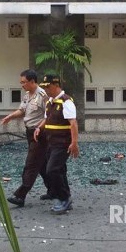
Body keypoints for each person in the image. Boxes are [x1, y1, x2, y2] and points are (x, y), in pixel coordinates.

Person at [1, 69, 52, 207]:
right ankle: (54, 190)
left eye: (24, 82)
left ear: (32, 81)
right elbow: (22, 110)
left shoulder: (43, 95)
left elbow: (50, 116)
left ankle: (20, 195)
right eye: (21, 82)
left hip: (40, 133)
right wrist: (10, 116)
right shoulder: (27, 95)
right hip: (30, 132)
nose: (22, 85)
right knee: (42, 164)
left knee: (31, 164)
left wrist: (39, 128)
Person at [35, 74, 79, 214]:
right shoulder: (50, 102)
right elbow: (47, 119)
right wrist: (39, 128)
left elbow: (73, 124)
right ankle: (66, 199)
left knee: (52, 170)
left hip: (62, 143)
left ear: (56, 85)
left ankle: (64, 198)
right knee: (59, 170)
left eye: (48, 86)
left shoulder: (66, 102)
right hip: (51, 142)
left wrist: (74, 143)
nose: (46, 89)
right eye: (45, 87)